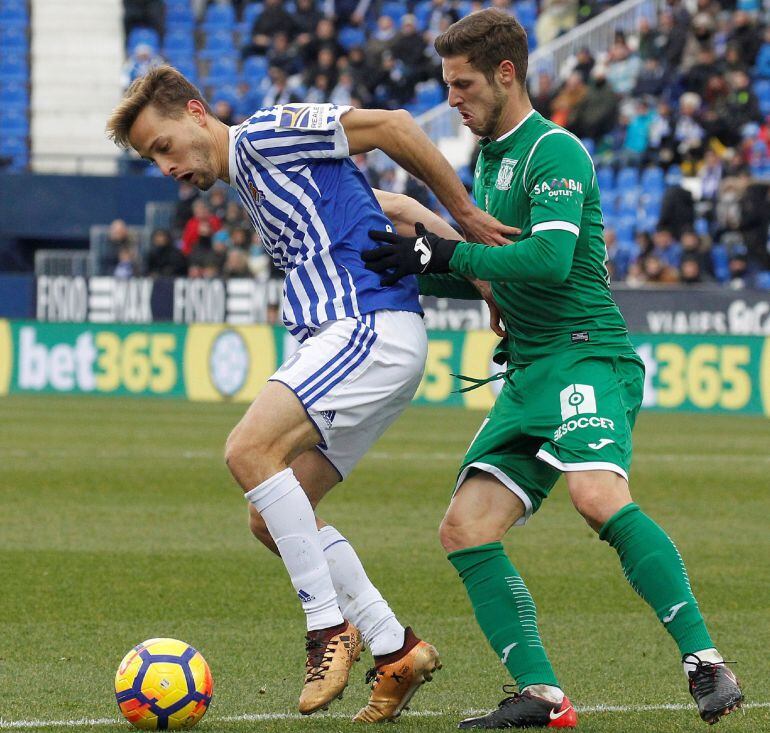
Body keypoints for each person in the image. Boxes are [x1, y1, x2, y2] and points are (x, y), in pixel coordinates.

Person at [363, 9, 743, 728]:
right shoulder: (490, 158)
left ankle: (705, 660)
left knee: (597, 496)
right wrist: (412, 267)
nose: (453, 98)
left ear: (507, 74)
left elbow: (549, 260)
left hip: (585, 351)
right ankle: (543, 694)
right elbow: (494, 276)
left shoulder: (554, 151)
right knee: (465, 527)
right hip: (530, 367)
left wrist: (442, 252)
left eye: (464, 83)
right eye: (448, 85)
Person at [106, 64, 513, 722]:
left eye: (164, 146)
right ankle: (393, 645)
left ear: (197, 111)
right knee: (271, 514)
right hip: (364, 339)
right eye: (154, 158)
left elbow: (393, 127)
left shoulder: (266, 135)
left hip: (363, 327)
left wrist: (465, 211)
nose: (166, 166)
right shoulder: (262, 179)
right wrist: (487, 282)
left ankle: (327, 629)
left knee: (248, 449)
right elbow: (395, 209)